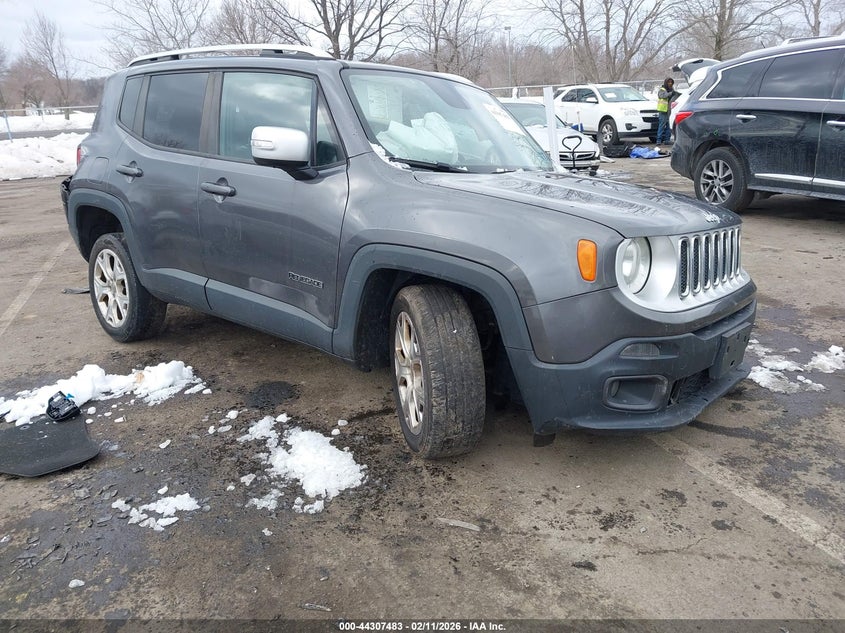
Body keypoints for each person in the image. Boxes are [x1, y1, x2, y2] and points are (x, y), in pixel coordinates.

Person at [656, 78, 680, 146]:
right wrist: (670, 93)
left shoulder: (672, 90)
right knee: (662, 126)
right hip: (663, 111)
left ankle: (667, 140)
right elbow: (662, 96)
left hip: (669, 111)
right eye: (669, 82)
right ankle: (658, 140)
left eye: (671, 82)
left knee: (668, 126)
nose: (670, 83)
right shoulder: (662, 90)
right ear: (666, 83)